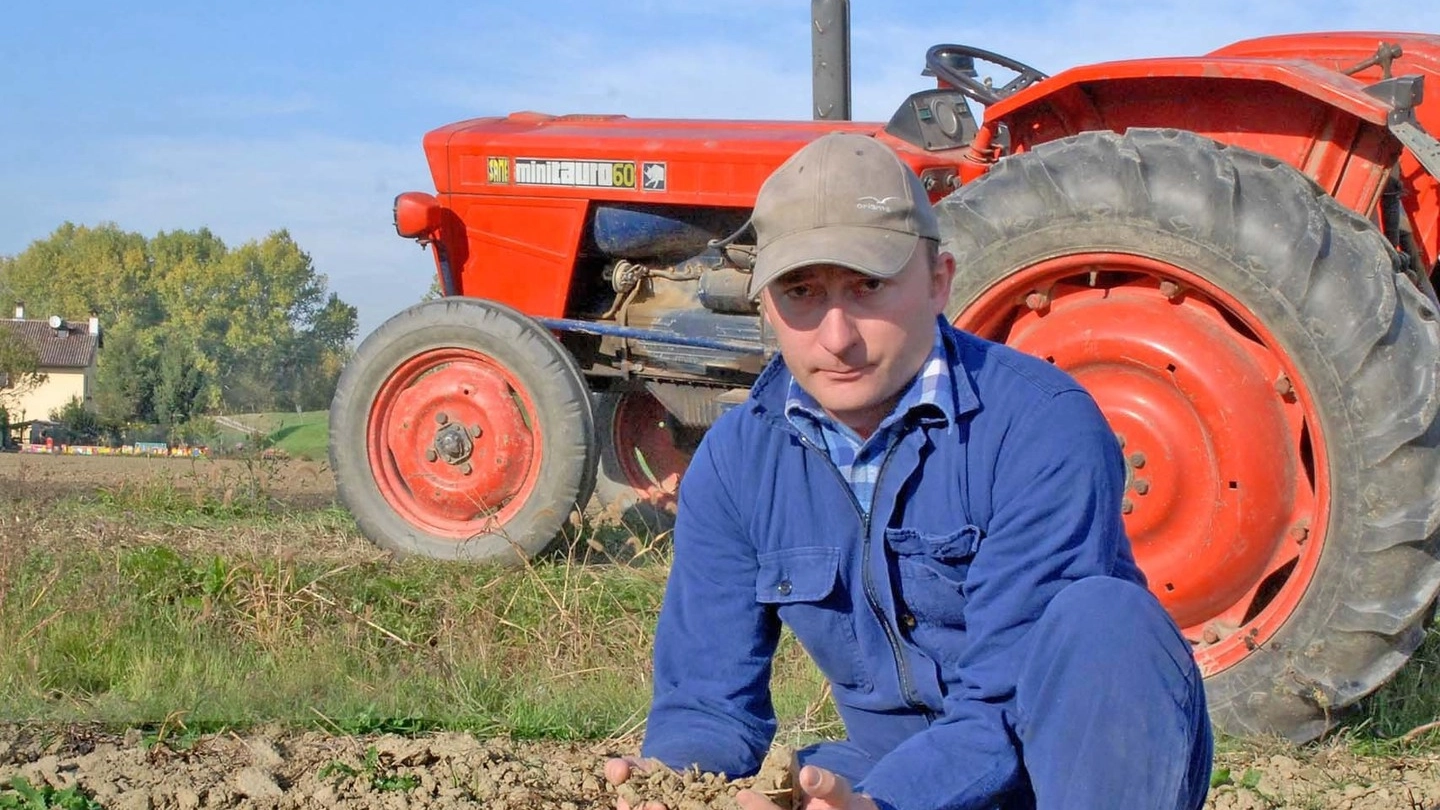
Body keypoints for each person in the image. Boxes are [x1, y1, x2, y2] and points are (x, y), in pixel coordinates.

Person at [605, 133, 1212, 810]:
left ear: (939, 280)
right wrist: (672, 780)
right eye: (801, 292)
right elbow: (707, 704)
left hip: (1064, 768)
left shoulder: (1042, 424)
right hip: (886, 769)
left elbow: (1000, 703)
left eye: (868, 286)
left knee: (1107, 618)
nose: (837, 337)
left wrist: (887, 804)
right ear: (766, 305)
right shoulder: (736, 460)